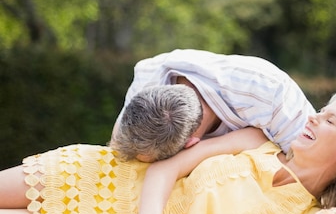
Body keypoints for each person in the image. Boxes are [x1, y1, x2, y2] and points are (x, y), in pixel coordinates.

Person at [0, 91, 336, 214]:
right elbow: (167, 168)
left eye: (328, 121)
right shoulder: (258, 140)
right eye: (319, 112)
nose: (312, 118)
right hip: (107, 177)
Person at [111, 49, 315, 160]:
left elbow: (312, 162)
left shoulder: (270, 94)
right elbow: (117, 144)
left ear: (190, 143)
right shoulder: (148, 76)